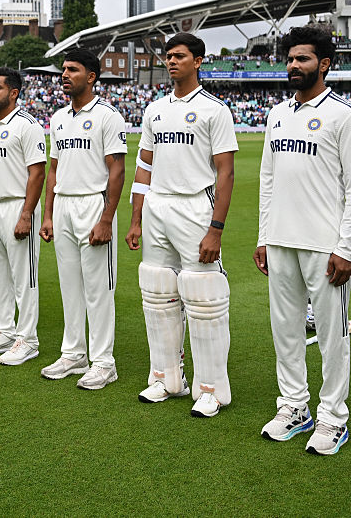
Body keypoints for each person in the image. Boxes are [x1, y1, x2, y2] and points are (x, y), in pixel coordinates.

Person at [255, 26, 351, 454]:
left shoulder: (345, 115)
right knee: (285, 331)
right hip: (281, 241)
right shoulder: (277, 114)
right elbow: (268, 179)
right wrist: (264, 236)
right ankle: (294, 407)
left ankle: (333, 418)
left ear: (323, 64)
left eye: (302, 59)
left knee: (331, 336)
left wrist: (346, 248)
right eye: (289, 59)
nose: (293, 66)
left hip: (325, 245)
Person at [125, 32, 238, 418]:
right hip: (158, 205)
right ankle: (166, 378)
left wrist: (216, 228)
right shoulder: (154, 110)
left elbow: (225, 173)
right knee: (157, 291)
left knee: (203, 295)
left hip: (195, 205)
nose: (172, 61)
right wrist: (136, 217)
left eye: (180, 56)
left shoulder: (214, 110)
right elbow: (144, 166)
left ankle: (211, 388)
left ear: (198, 61)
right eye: (169, 56)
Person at [38, 48, 127, 389]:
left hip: (93, 204)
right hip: (63, 205)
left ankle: (104, 362)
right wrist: (47, 214)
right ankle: (74, 353)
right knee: (70, 285)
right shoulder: (59, 118)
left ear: (91, 76)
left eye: (72, 70)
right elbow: (54, 168)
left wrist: (107, 219)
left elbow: (116, 169)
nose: (64, 75)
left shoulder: (108, 115)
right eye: (63, 69)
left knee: (98, 289)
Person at [0, 67, 46, 365]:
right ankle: (3, 331)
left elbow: (37, 172)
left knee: (23, 276)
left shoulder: (28, 125)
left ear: (13, 93)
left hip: (17, 206)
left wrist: (27, 214)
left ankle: (28, 339)